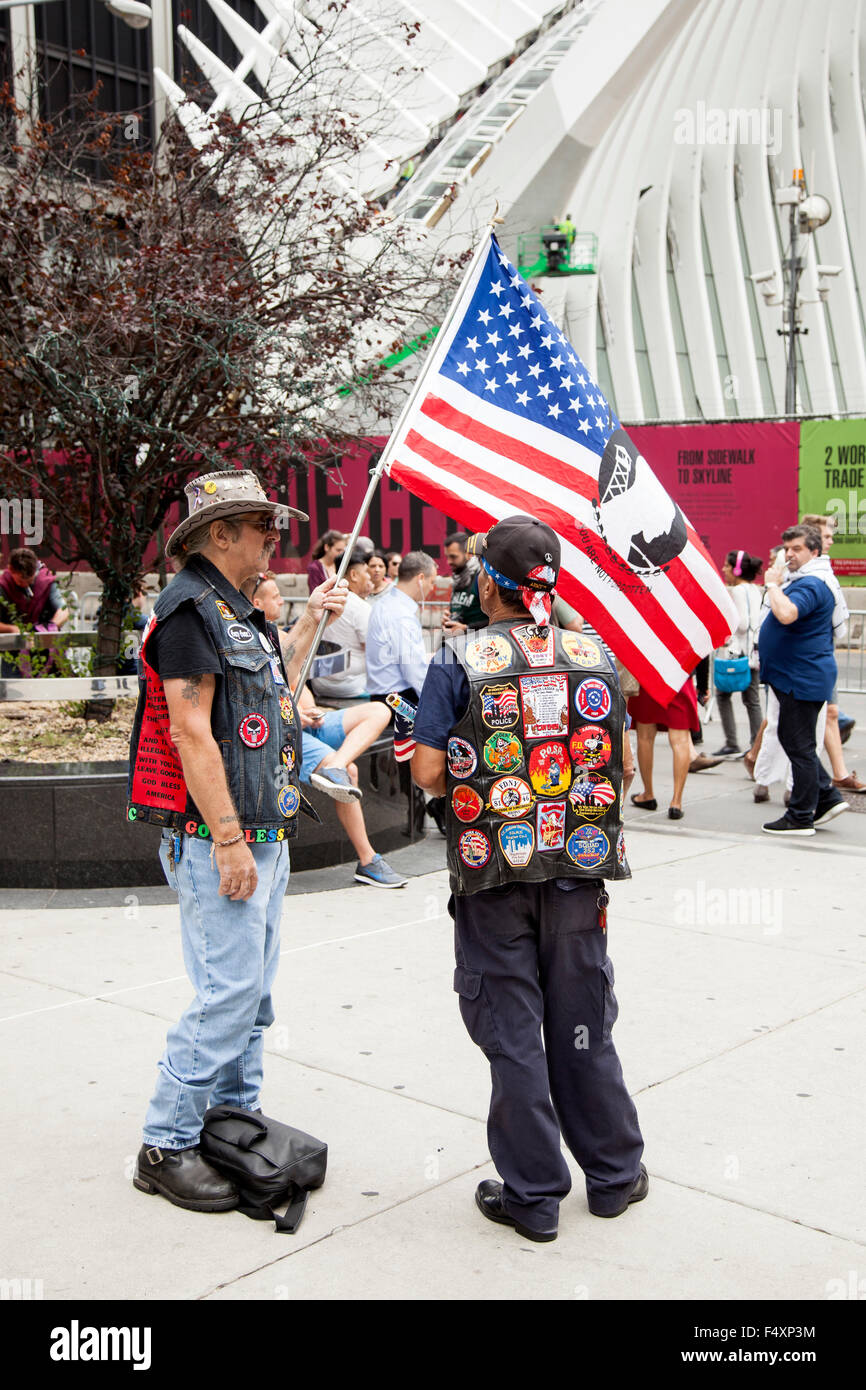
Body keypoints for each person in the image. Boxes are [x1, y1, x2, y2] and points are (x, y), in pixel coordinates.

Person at [412, 514, 644, 1242]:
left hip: (492, 877)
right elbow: (623, 767)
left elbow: (425, 772)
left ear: (488, 582)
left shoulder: (458, 658)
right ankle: (612, 1178)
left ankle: (535, 1196)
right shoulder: (594, 654)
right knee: (583, 1026)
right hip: (578, 872)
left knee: (513, 1035)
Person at [127, 470, 348, 1213]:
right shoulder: (189, 610)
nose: (274, 538)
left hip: (263, 831)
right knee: (226, 997)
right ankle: (165, 1144)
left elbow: (275, 696)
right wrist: (225, 840)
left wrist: (310, 622)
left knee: (251, 998)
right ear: (217, 534)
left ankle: (232, 1119)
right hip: (219, 837)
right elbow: (191, 730)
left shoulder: (235, 609)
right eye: (261, 527)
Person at [243, 570, 405, 887]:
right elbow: (260, 699)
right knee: (353, 777)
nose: (281, 599)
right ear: (256, 602)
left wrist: (307, 710)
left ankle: (336, 764)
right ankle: (368, 860)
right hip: (286, 730)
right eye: (275, 596)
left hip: (307, 720)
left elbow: (292, 680)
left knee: (378, 711)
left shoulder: (278, 633)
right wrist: (295, 713)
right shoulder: (246, 639)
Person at [758, 525, 849, 836]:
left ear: (814, 552)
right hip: (797, 677)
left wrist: (772, 585)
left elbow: (787, 614)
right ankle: (826, 798)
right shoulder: (805, 580)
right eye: (787, 548)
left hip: (802, 677)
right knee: (797, 742)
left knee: (799, 745)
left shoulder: (811, 584)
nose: (789, 554)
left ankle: (800, 816)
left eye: (797, 548)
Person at [366, 550, 438, 828]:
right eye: (432, 581)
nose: (432, 588)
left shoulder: (390, 606)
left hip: (387, 694)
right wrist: (435, 702)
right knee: (411, 764)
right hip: (399, 700)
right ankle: (419, 813)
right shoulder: (399, 615)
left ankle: (421, 810)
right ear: (420, 578)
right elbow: (414, 670)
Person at [799, 514, 864, 792]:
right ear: (813, 540)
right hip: (805, 656)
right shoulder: (800, 571)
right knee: (781, 718)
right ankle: (756, 757)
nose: (832, 540)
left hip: (823, 653)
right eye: (826, 536)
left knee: (832, 713)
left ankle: (838, 774)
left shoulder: (825, 569)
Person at [629, 677, 712, 819]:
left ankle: (648, 793)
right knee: (680, 741)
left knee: (645, 738)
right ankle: (676, 802)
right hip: (678, 675)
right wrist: (703, 687)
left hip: (648, 673)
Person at [712, 550, 764, 758]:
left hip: (738, 653)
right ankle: (755, 744)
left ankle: (733, 742)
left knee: (723, 695)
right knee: (752, 700)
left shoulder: (739, 592)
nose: (724, 569)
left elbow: (742, 624)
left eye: (726, 565)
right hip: (753, 654)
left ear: (737, 569)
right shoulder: (755, 589)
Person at [308, 550, 372, 701]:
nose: (370, 577)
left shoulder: (321, 599)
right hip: (352, 685)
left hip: (319, 683)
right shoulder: (360, 607)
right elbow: (373, 651)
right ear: (354, 575)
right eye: (367, 572)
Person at [0, 547, 69, 676]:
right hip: (13, 650)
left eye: (30, 581)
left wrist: (50, 629)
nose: (26, 585)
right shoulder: (3, 586)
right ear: (10, 569)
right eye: (21, 581)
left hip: (46, 650)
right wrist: (12, 629)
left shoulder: (45, 580)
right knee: (12, 692)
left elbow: (63, 611)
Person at [441, 531, 486, 637]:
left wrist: (467, 628)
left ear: (469, 554)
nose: (449, 562)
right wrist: (449, 617)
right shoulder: (458, 578)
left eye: (453, 557)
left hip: (480, 643)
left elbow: (496, 620)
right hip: (459, 644)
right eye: (447, 557)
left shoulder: (481, 577)